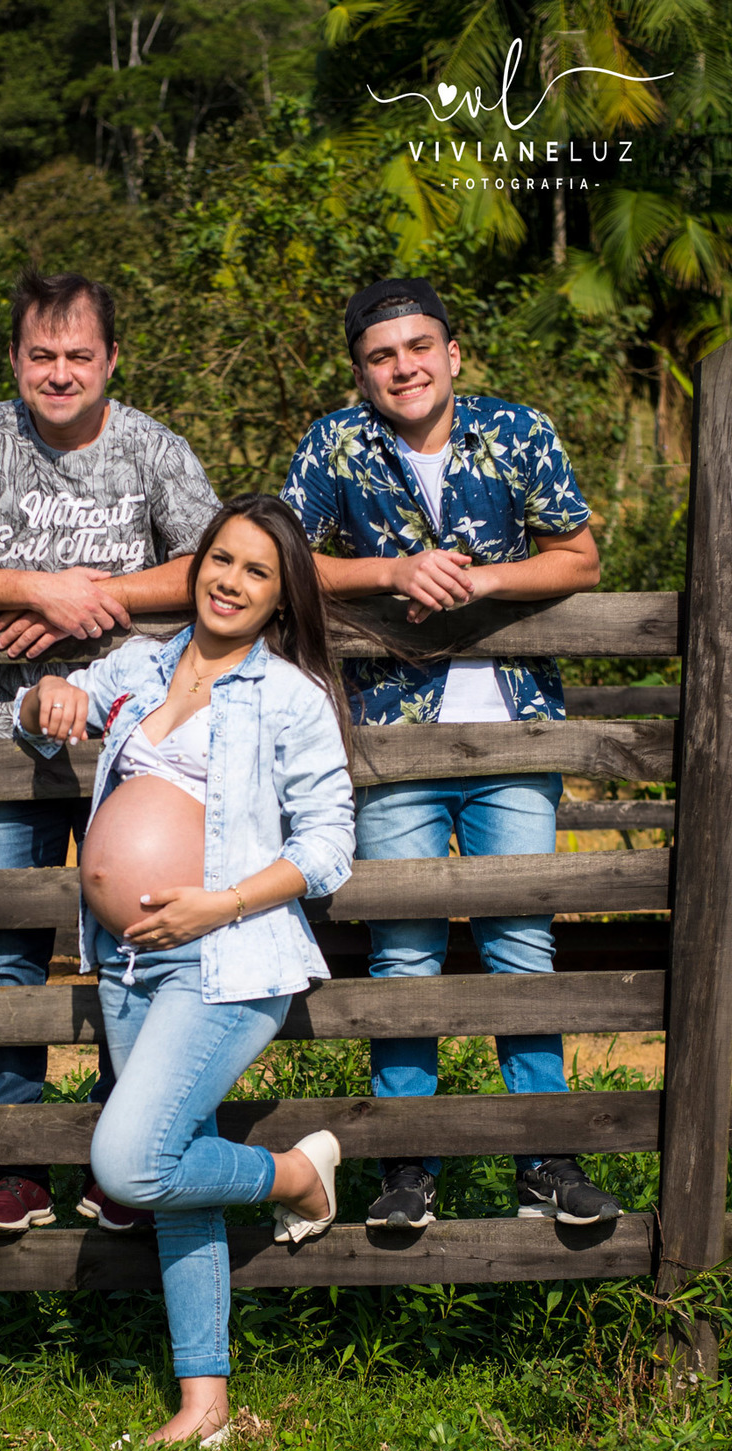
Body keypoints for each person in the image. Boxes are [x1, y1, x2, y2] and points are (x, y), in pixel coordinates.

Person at [15, 496, 357, 1446]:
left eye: (256, 571)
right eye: (221, 559)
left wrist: (221, 902)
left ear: (281, 597)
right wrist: (49, 694)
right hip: (126, 961)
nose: (230, 580)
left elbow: (330, 845)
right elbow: (41, 716)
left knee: (132, 1162)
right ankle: (204, 1407)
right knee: (174, 1166)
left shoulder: (289, 696)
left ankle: (294, 1175)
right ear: (196, 565)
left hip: (229, 956)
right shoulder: (138, 664)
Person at [281, 276, 621, 1229]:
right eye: (383, 356)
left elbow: (581, 557)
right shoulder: (332, 444)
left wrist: (484, 583)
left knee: (520, 942)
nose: (405, 367)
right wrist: (392, 570)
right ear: (360, 372)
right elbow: (286, 558)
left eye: (420, 347)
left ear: (453, 353)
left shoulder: (518, 431)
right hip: (394, 736)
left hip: (514, 727)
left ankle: (544, 1160)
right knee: (404, 951)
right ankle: (404, 1167)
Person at [0, 268, 221, 1236]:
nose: (60, 371)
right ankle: (15, 1171)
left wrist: (101, 597)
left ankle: (129, 1162)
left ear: (112, 359)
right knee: (9, 958)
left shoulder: (154, 448)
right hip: (9, 741)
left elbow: (218, 561)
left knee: (137, 947)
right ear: (14, 359)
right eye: (41, 354)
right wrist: (39, 591)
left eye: (80, 354)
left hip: (135, 745)